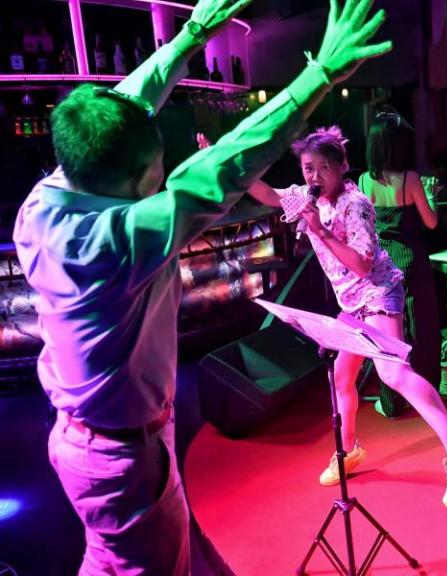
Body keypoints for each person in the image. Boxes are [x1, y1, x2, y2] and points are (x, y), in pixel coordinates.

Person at [12, 1, 394, 572]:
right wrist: (317, 75)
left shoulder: (51, 198)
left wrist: (192, 34)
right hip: (122, 458)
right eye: (156, 170)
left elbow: (126, 105)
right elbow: (220, 169)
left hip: (96, 442)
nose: (162, 176)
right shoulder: (113, 241)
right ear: (129, 181)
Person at [245, 126, 447, 507]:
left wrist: (320, 232)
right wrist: (228, 167)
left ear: (343, 166)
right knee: (342, 377)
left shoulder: (354, 205)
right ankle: (348, 452)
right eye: (308, 168)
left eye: (324, 168)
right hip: (352, 304)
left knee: (392, 373)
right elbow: (267, 194)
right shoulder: (308, 197)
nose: (314, 176)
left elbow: (361, 265)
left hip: (377, 295)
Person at [358, 110, 442, 415]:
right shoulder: (410, 179)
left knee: (387, 333)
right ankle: (428, 396)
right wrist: (431, 195)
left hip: (382, 264)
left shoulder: (364, 181)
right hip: (412, 260)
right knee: (423, 327)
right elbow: (431, 222)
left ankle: (391, 401)